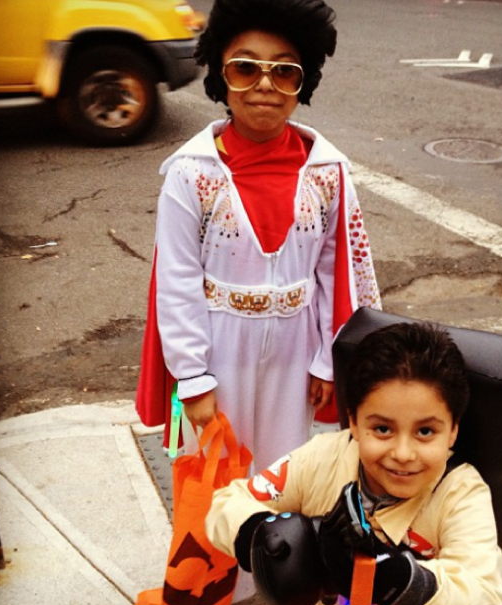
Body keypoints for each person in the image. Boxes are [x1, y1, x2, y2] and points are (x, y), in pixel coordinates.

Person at [136, 0, 380, 472]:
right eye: (245, 68)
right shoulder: (191, 174)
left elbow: (338, 273)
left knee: (283, 477)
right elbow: (177, 280)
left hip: (296, 354)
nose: (265, 84)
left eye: (285, 71)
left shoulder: (327, 173)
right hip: (218, 348)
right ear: (220, 78)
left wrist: (327, 362)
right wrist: (193, 378)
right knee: (215, 485)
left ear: (302, 82)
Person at [204, 322, 502, 605]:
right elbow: (226, 503)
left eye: (425, 432)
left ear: (452, 431)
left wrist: (399, 578)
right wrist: (266, 534)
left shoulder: (461, 493)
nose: (403, 454)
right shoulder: (323, 459)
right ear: (354, 422)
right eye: (382, 429)